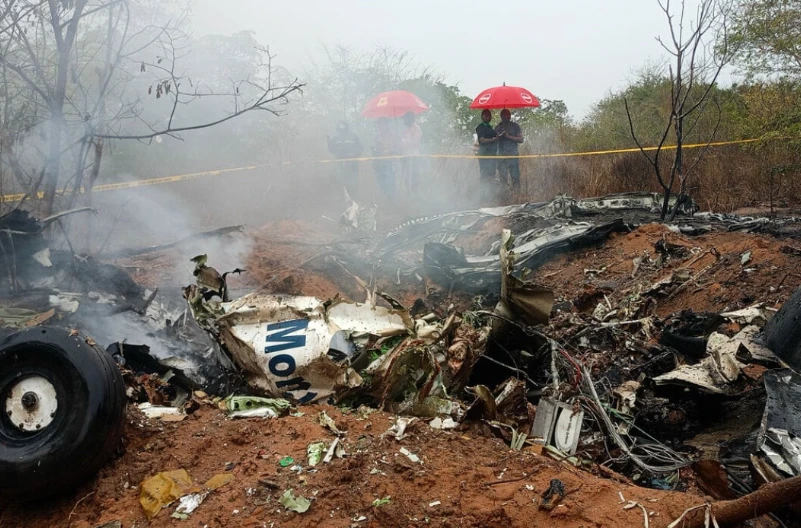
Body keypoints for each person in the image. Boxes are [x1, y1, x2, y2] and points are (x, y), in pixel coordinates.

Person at [326, 121, 363, 199]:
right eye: (340, 130)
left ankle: (354, 200)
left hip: (352, 165)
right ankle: (343, 200)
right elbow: (332, 150)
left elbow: (360, 149)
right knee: (340, 182)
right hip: (340, 165)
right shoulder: (336, 138)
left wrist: (353, 155)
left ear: (347, 129)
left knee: (352, 183)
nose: (342, 132)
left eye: (343, 130)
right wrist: (329, 143)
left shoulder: (354, 137)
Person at [494, 109, 524, 190]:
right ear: (501, 116)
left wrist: (508, 136)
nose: (507, 116)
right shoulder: (497, 127)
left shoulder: (515, 126)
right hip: (501, 156)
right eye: (504, 115)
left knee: (515, 178)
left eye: (508, 115)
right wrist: (499, 137)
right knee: (503, 180)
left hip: (513, 155)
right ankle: (504, 196)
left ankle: (517, 196)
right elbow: (493, 141)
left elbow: (521, 139)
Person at [372, 117, 400, 198]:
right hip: (379, 163)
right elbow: (375, 149)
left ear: (386, 124)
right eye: (378, 124)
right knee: (380, 182)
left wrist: (389, 151)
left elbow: (397, 148)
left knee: (390, 182)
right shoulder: (377, 137)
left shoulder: (393, 135)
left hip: (390, 162)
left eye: (381, 123)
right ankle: (387, 199)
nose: (379, 126)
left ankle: (393, 200)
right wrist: (375, 151)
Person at [475, 109, 498, 201]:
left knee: (492, 174)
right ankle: (483, 196)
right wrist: (493, 139)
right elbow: (482, 140)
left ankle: (491, 195)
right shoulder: (480, 127)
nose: (489, 117)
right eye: (486, 115)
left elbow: (494, 137)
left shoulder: (490, 127)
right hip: (484, 154)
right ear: (482, 117)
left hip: (492, 154)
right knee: (485, 175)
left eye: (490, 115)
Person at [400, 111, 423, 194]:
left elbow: (415, 142)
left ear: (410, 119)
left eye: (405, 118)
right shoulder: (406, 129)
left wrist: (403, 141)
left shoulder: (417, 129)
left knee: (414, 178)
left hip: (414, 157)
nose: (404, 120)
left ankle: (416, 195)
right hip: (405, 157)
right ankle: (408, 195)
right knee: (406, 178)